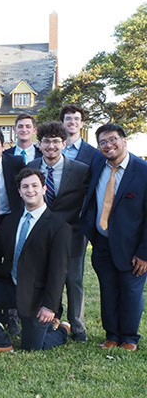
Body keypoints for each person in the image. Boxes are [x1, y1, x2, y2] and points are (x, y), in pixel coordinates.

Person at [0, 168, 71, 355]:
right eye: (25, 187)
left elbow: (58, 270)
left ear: (44, 189)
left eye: (35, 186)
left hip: (36, 296)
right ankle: (1, 342)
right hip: (11, 285)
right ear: (19, 192)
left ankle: (62, 330)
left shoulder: (59, 227)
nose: (30, 190)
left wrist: (49, 306)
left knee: (32, 347)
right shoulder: (12, 221)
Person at [80, 124, 147, 352]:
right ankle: (112, 335)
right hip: (102, 243)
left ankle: (129, 338)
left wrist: (144, 253)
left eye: (113, 139)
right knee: (108, 290)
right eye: (103, 142)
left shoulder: (143, 171)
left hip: (133, 247)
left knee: (130, 292)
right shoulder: (98, 163)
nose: (109, 145)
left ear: (124, 140)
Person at [26, 121, 90, 342]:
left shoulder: (81, 170)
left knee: (73, 280)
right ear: (39, 144)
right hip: (42, 237)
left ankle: (78, 326)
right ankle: (54, 318)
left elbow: (87, 202)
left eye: (55, 141)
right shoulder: (31, 168)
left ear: (64, 143)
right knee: (47, 278)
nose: (50, 146)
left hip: (72, 235)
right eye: (46, 141)